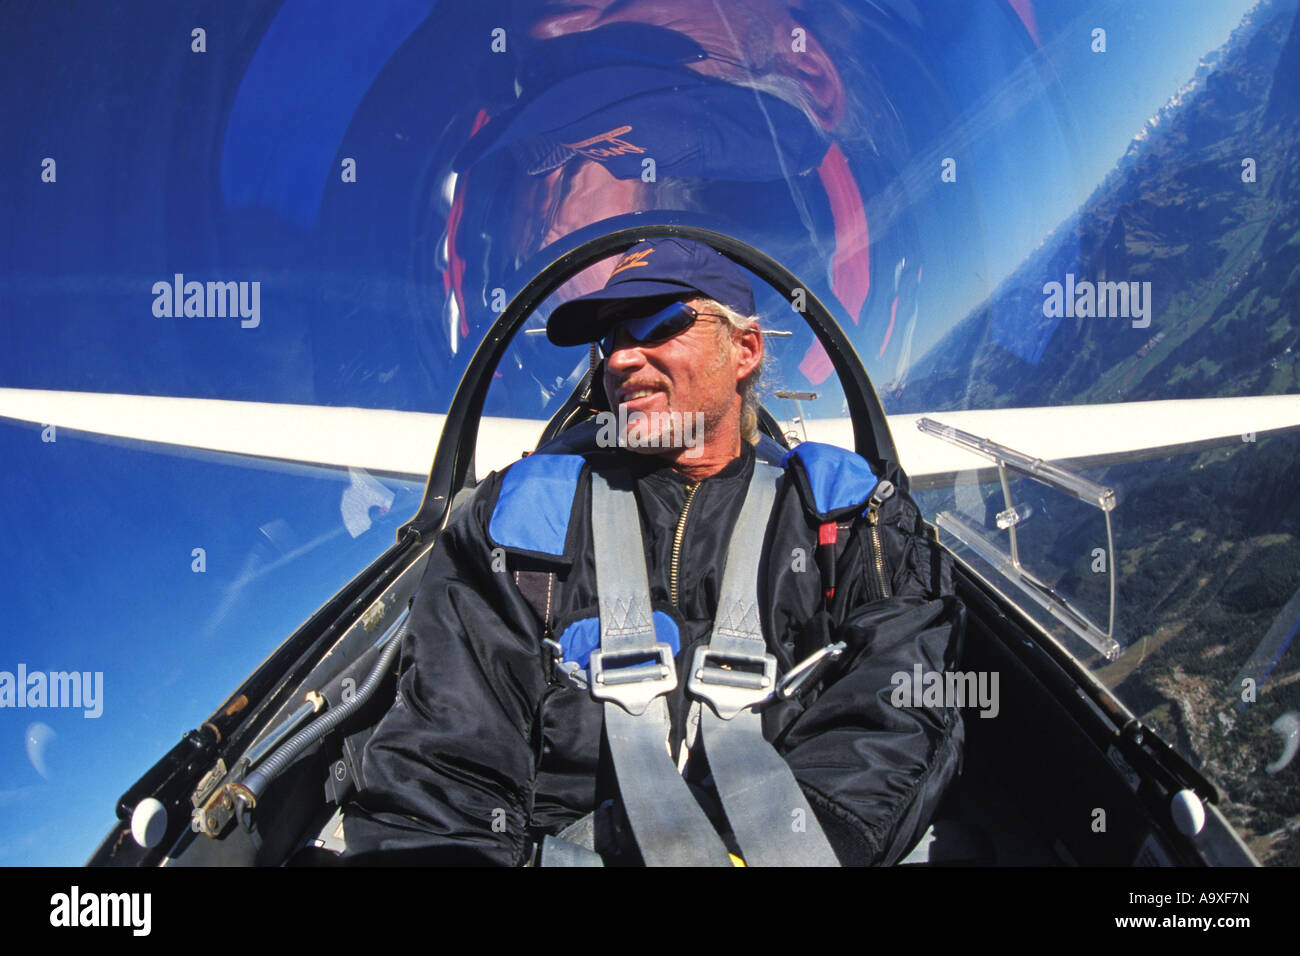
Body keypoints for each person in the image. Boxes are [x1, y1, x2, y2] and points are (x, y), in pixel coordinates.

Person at [343, 238, 964, 865]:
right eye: (612, 339)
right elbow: (446, 755)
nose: (622, 359)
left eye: (661, 323)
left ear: (744, 349)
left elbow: (900, 698)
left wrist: (804, 847)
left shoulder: (848, 516)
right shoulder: (519, 518)